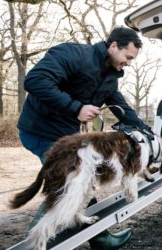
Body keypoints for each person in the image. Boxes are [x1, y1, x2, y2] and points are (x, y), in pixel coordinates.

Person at [17, 27, 151, 249]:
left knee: (83, 182)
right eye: (128, 57)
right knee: (70, 187)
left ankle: (100, 239)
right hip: (39, 130)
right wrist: (76, 107)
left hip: (66, 135)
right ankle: (33, 245)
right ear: (114, 46)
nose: (129, 63)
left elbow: (122, 107)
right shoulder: (72, 54)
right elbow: (35, 80)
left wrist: (145, 130)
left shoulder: (110, 77)